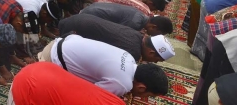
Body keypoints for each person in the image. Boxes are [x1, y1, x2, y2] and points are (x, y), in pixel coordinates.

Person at [38, 34, 169, 98]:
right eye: (149, 96)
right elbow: (90, 98)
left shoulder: (129, 58)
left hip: (61, 41)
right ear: (141, 88)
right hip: (52, 59)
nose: (145, 98)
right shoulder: (123, 83)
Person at [58, 14, 175, 63]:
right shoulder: (133, 52)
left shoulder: (138, 35)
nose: (154, 62)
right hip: (75, 29)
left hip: (81, 18)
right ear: (151, 52)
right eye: (156, 60)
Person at [81, 2, 173, 35]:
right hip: (89, 15)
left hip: (93, 7)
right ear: (154, 27)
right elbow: (114, 34)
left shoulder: (141, 15)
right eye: (159, 34)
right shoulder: (134, 23)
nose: (157, 36)